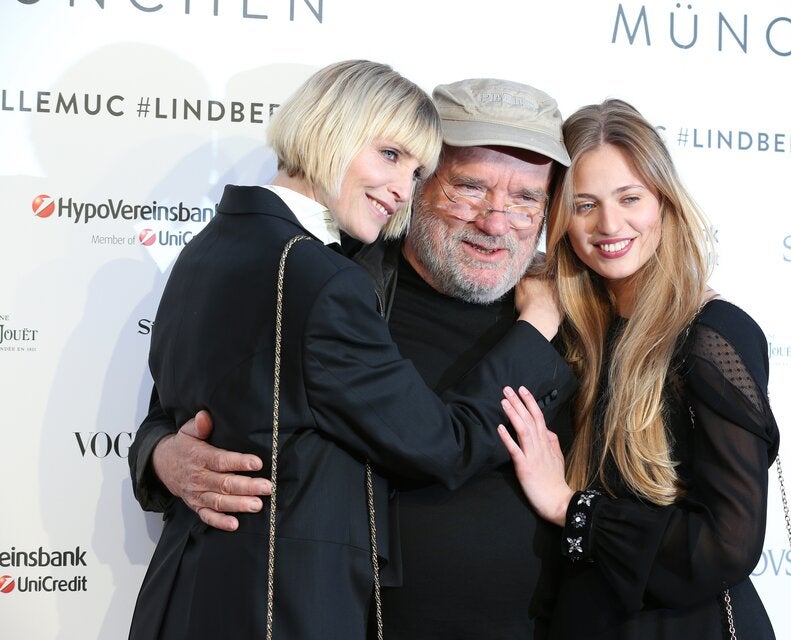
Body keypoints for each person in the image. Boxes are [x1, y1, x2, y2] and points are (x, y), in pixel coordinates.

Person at [127, 63, 574, 640]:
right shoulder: (338, 276)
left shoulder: (579, 314)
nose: (495, 220)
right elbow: (441, 444)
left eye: (525, 199)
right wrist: (166, 455)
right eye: (469, 186)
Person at [498, 99, 780, 639]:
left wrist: (568, 506)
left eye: (630, 198)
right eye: (584, 205)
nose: (609, 224)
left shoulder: (713, 335)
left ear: (664, 203)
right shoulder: (568, 328)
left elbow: (728, 543)